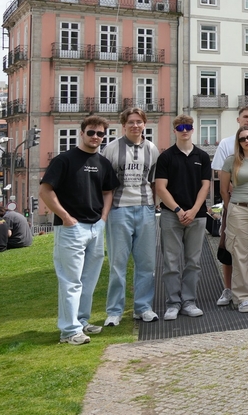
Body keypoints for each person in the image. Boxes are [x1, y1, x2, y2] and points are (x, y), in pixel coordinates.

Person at [40, 115, 118, 345]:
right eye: (91, 132)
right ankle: (69, 331)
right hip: (71, 228)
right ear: (81, 133)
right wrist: (65, 217)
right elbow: (45, 191)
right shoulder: (64, 160)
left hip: (95, 227)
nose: (96, 137)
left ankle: (81, 322)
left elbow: (107, 191)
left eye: (100, 134)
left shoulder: (103, 163)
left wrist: (103, 218)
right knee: (70, 280)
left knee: (89, 280)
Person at [102, 107, 160, 325]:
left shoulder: (152, 149)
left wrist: (155, 206)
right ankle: (114, 311)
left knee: (146, 263)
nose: (135, 125)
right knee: (117, 263)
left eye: (139, 122)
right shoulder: (111, 148)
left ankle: (143, 307)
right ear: (123, 125)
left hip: (145, 208)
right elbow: (105, 184)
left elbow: (154, 181)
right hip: (119, 210)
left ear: (144, 124)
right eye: (131, 122)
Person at [212, 107, 248, 308]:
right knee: (240, 254)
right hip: (238, 208)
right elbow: (222, 190)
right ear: (238, 142)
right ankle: (242, 297)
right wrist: (232, 208)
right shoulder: (231, 161)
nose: (247, 140)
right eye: (243, 138)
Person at [153, 115, 212, 320]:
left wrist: (195, 210)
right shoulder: (166, 157)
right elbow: (160, 187)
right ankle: (172, 303)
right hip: (171, 215)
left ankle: (189, 301)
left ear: (193, 129)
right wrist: (178, 210)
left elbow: (206, 185)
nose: (184, 130)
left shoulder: (202, 156)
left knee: (193, 261)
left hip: (197, 215)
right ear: (174, 130)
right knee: (170, 261)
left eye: (188, 127)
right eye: (180, 127)